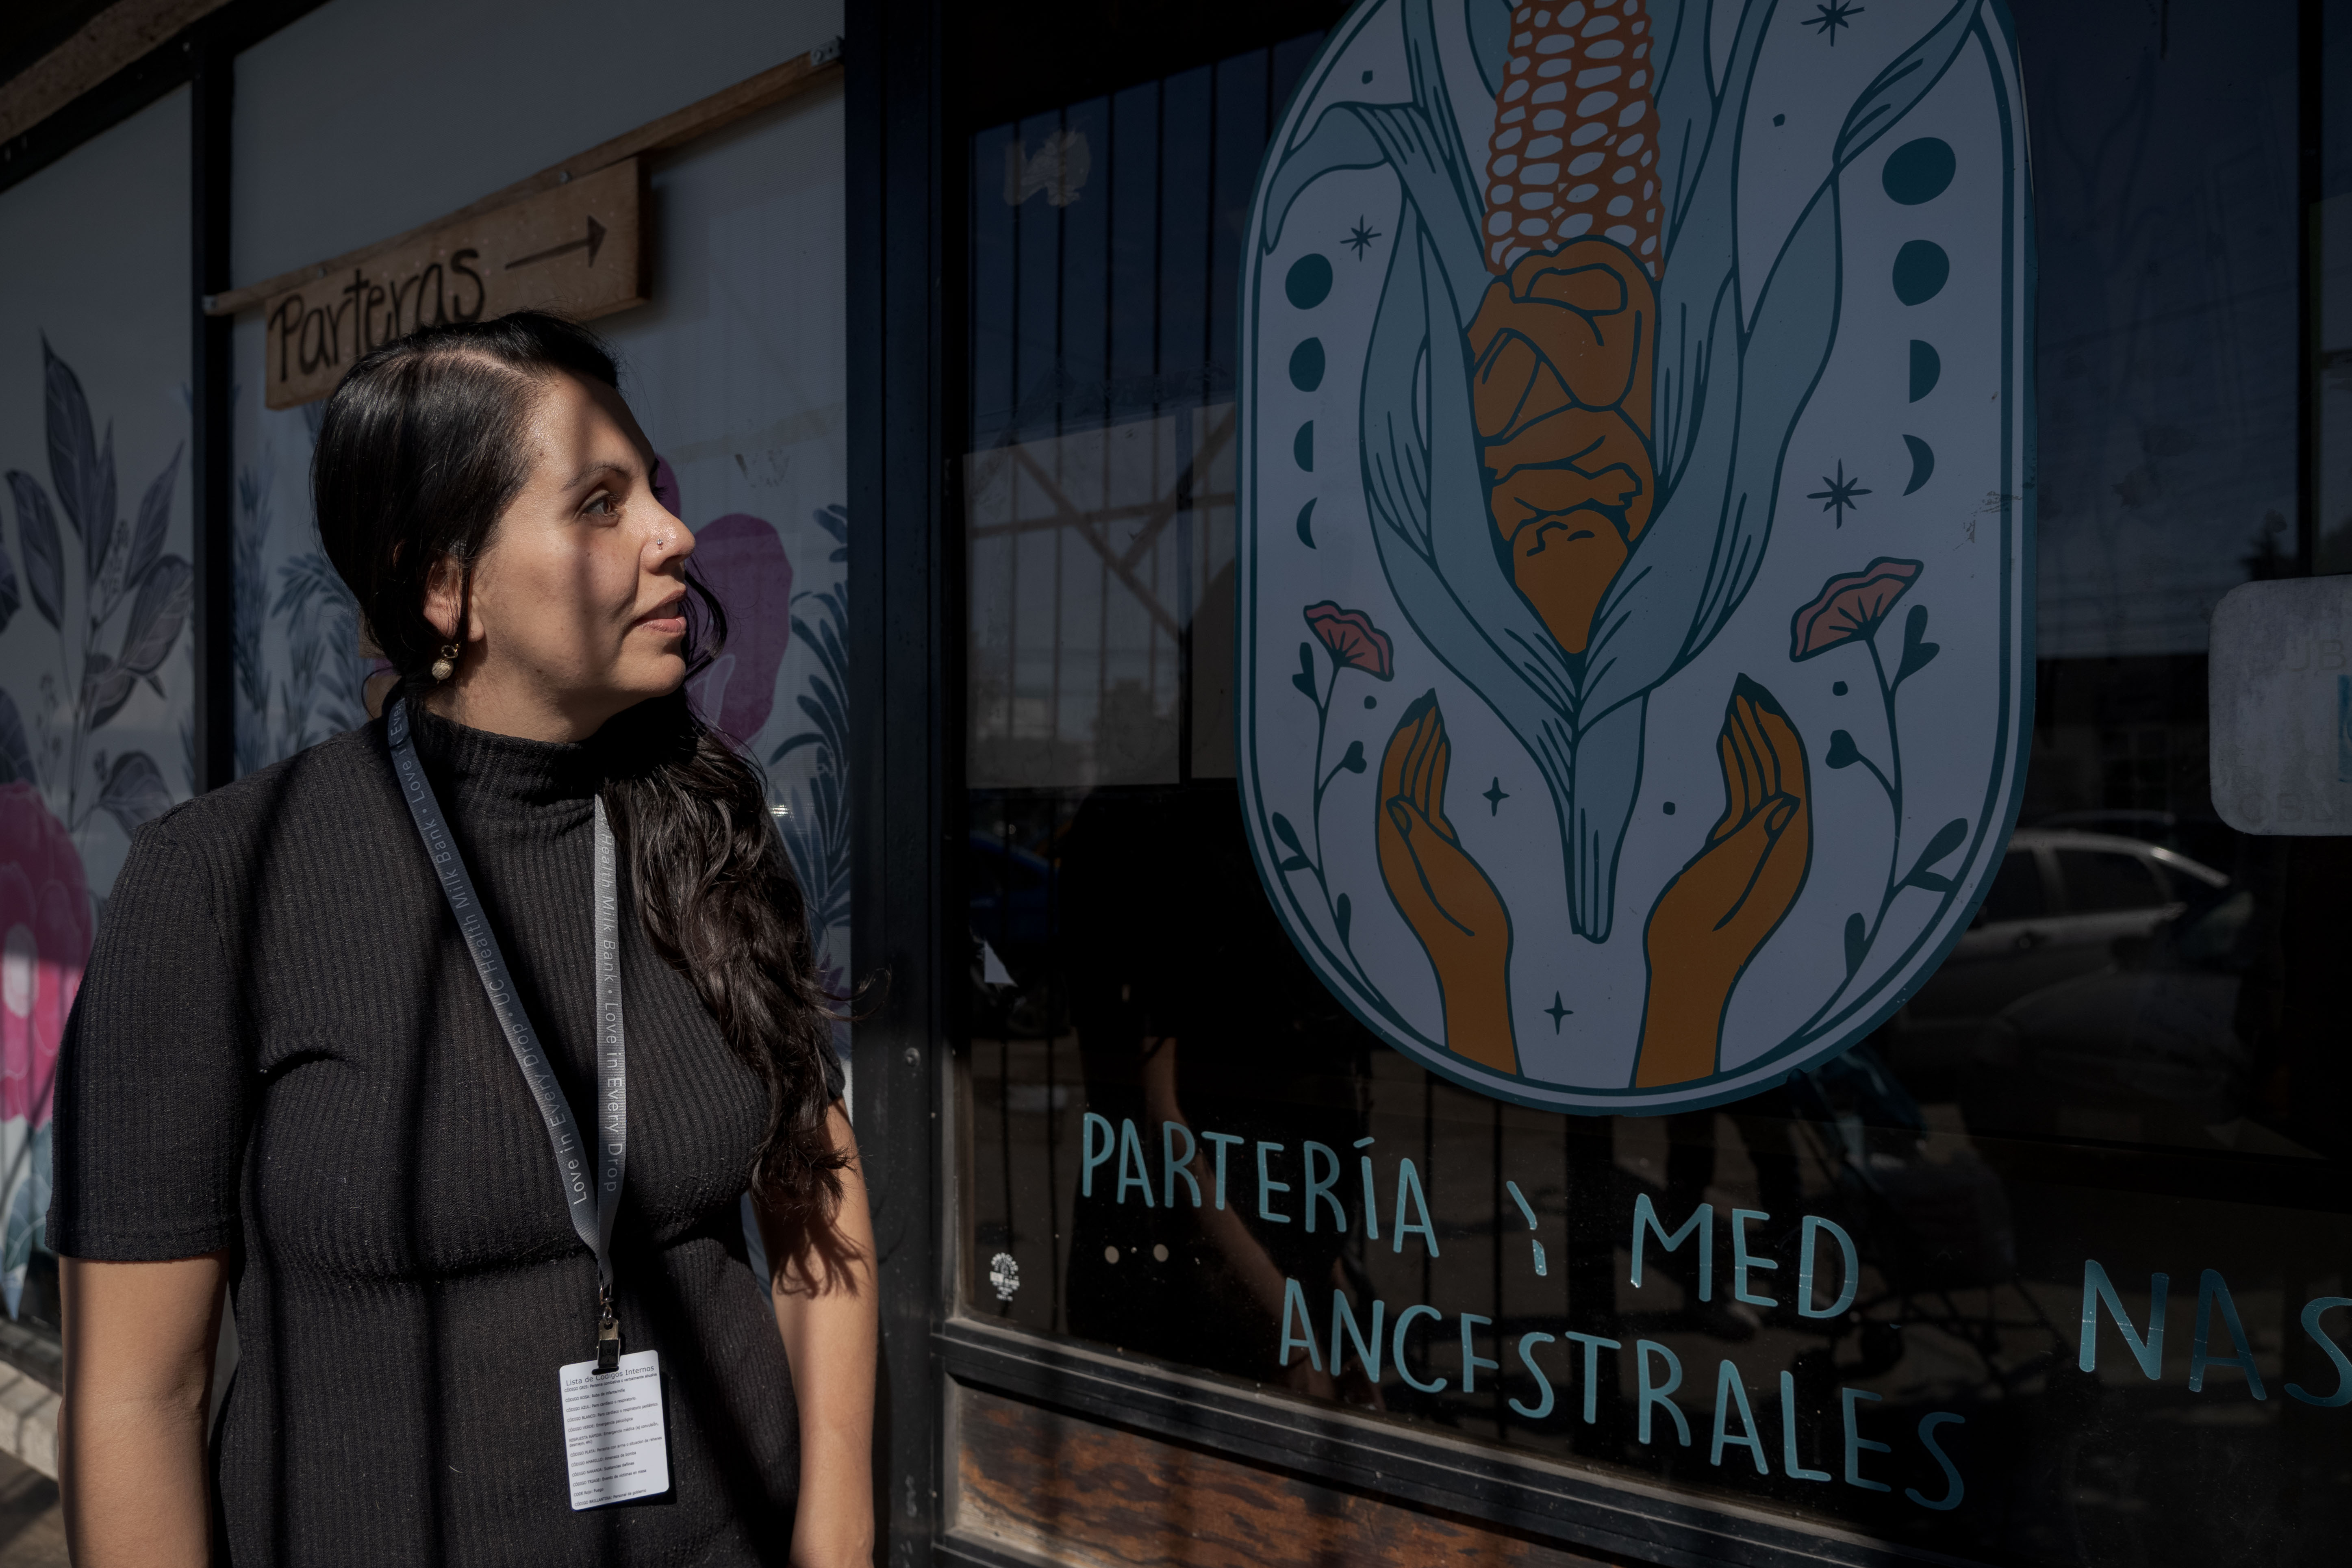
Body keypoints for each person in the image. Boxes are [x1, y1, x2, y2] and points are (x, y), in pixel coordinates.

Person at [49, 312, 875, 1566]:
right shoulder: (220, 884)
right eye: (601, 503)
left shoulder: (705, 828)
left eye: (652, 487)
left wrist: (837, 1535)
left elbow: (816, 1197)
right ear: (444, 582)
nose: (675, 534)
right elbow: (134, 1397)